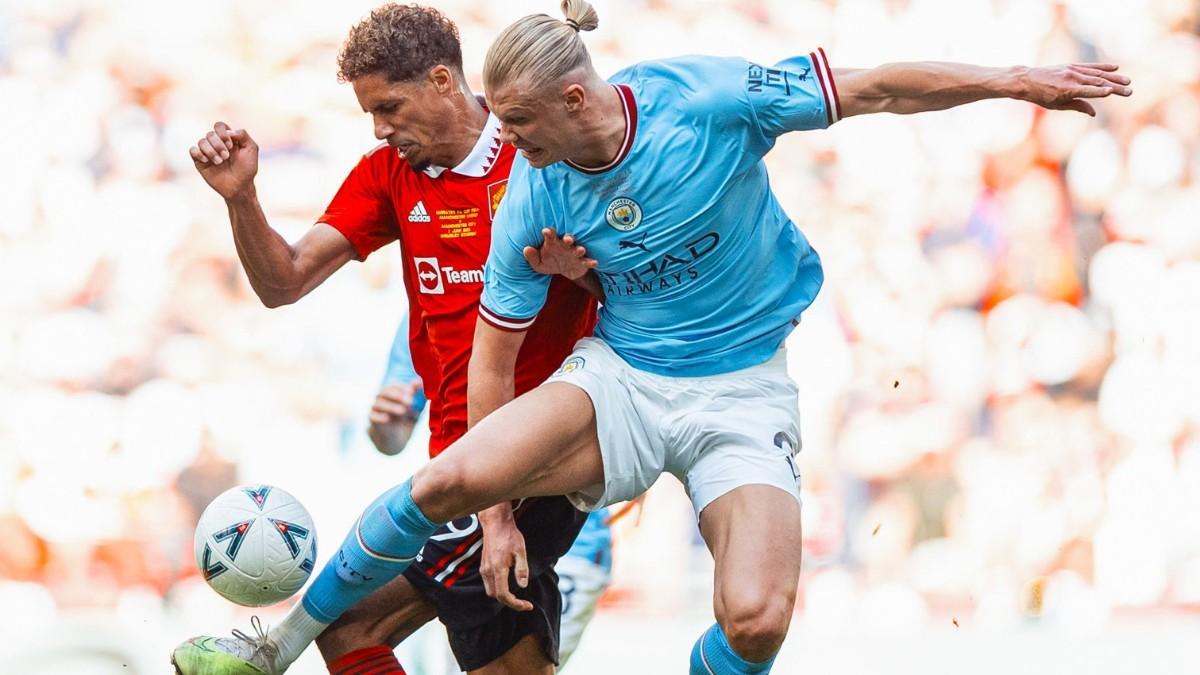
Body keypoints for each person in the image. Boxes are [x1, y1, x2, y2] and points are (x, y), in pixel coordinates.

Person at [177, 1, 1133, 674]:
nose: (512, 150)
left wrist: (1016, 80)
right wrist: (498, 510)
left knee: (757, 620)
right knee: (423, 515)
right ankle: (280, 641)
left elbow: (876, 85)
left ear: (577, 101)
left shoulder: (704, 100)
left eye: (521, 126)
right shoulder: (522, 189)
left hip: (740, 389)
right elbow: (488, 353)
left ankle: (570, 559)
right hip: (618, 382)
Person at [171, 5, 605, 675]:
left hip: (528, 454)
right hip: (453, 456)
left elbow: (630, 273)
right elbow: (283, 282)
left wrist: (587, 274)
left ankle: (270, 650)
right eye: (371, 113)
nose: (380, 128)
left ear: (441, 81)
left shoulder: (534, 148)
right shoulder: (386, 176)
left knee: (349, 625)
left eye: (390, 107)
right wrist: (241, 198)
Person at [366, 311, 614, 670]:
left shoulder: (566, 281)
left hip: (570, 539)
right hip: (463, 535)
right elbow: (392, 438)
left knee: (354, 629)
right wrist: (384, 423)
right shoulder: (428, 299)